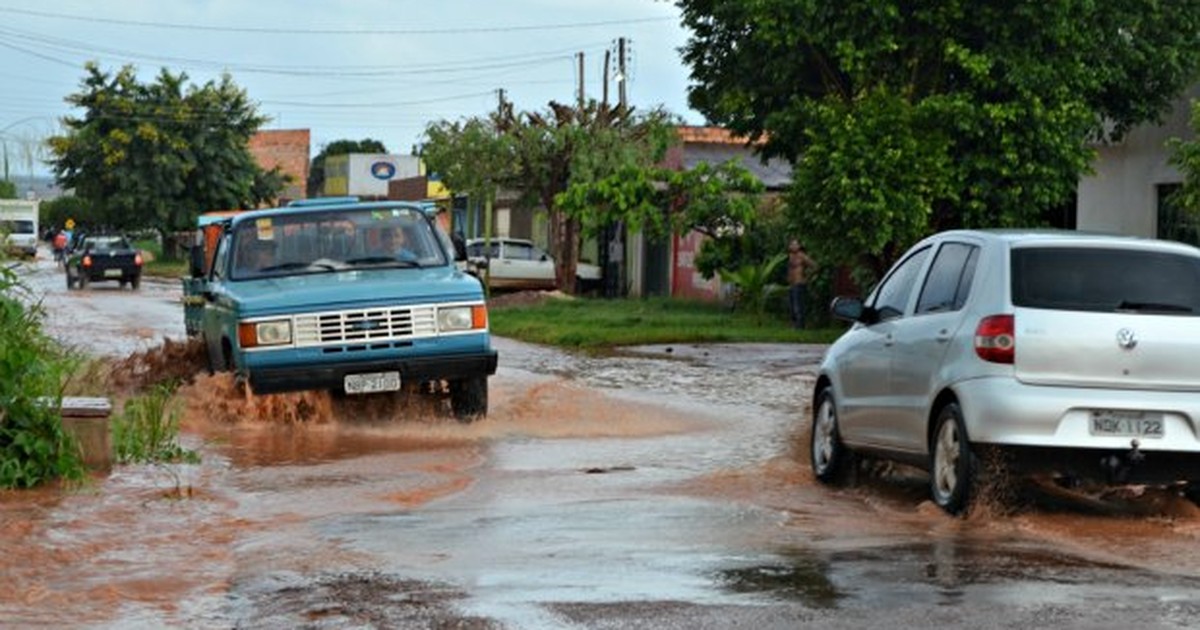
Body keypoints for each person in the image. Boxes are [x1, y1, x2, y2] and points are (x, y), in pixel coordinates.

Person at [787, 239, 817, 329]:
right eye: (792, 244)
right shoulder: (790, 256)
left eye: (795, 244)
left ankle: (800, 326)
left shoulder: (802, 256)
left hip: (799, 283)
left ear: (799, 246)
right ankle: (794, 324)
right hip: (792, 284)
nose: (793, 246)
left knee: (798, 306)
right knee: (792, 306)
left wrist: (807, 277)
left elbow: (814, 266)